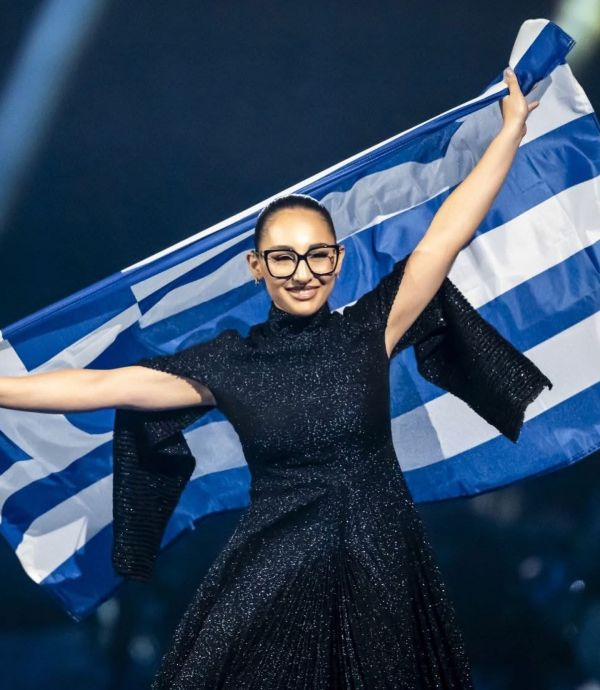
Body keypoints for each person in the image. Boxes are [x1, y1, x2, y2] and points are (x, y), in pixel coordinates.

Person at [0, 68, 549, 688]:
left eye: (317, 255)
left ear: (337, 260)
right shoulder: (229, 363)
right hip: (276, 565)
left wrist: (510, 132)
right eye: (283, 258)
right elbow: (100, 387)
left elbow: (445, 236)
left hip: (381, 560)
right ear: (256, 267)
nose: (302, 272)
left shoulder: (370, 330)